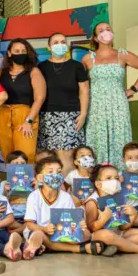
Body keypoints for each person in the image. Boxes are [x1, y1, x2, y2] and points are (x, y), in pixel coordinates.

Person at [82, 22, 138, 169]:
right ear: (95, 38)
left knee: (119, 137)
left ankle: (121, 175)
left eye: (108, 29)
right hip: (96, 105)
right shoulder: (88, 58)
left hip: (118, 104)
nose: (105, 32)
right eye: (101, 30)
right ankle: (97, 174)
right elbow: (82, 85)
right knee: (97, 138)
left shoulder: (122, 55)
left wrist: (133, 89)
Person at [24, 157, 118, 257]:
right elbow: (30, 224)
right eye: (51, 172)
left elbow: (72, 221)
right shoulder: (33, 196)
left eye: (59, 172)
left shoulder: (66, 197)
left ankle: (48, 247)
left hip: (60, 232)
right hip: (41, 231)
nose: (56, 175)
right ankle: (78, 249)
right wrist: (45, 229)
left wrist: (80, 225)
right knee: (39, 235)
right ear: (40, 178)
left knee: (86, 233)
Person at [84, 164, 138, 255]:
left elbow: (123, 227)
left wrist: (133, 216)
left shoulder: (118, 198)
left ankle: (113, 247)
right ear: (98, 184)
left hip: (117, 233)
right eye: (108, 178)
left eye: (116, 178)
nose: (114, 181)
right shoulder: (92, 202)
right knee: (107, 235)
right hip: (99, 235)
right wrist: (103, 219)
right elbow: (90, 228)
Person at [38, 33, 89, 175]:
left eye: (62, 42)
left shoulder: (76, 66)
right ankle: (51, 188)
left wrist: (83, 114)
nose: (60, 45)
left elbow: (84, 90)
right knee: (49, 156)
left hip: (71, 115)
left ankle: (68, 190)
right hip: (47, 116)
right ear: (49, 47)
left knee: (67, 155)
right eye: (55, 42)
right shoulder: (41, 67)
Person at [0, 39, 46, 164]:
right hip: (2, 116)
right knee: (8, 155)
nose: (20, 53)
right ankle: (12, 183)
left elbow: (40, 98)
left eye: (23, 51)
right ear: (9, 53)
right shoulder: (1, 73)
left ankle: (27, 182)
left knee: (26, 155)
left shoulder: (34, 72)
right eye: (16, 51)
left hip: (25, 116)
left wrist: (29, 121)